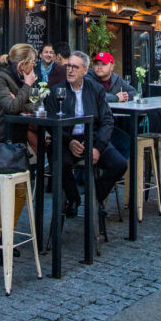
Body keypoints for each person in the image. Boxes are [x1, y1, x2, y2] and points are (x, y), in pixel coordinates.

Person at [47, 51, 127, 218]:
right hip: (67, 140)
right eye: (68, 66)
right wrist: (68, 141)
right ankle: (74, 198)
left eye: (75, 67)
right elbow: (51, 122)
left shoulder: (95, 89)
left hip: (92, 138)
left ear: (85, 70)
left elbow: (107, 120)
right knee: (58, 162)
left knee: (119, 164)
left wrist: (97, 147)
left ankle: (94, 197)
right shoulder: (57, 90)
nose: (70, 70)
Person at [0, 44, 37, 232]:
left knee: (22, 190)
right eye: (32, 63)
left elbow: (29, 105)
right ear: (23, 65)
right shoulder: (0, 78)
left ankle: (5, 232)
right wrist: (27, 87)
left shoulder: (17, 79)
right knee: (0, 192)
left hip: (15, 141)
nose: (34, 67)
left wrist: (21, 98)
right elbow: (12, 106)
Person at [90, 52, 134, 158]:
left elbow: (134, 91)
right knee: (124, 143)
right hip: (92, 126)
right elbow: (96, 95)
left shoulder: (116, 79)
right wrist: (116, 98)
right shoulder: (88, 78)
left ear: (112, 66)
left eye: (103, 64)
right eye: (97, 64)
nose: (99, 67)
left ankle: (115, 171)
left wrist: (126, 95)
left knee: (127, 143)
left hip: (108, 124)